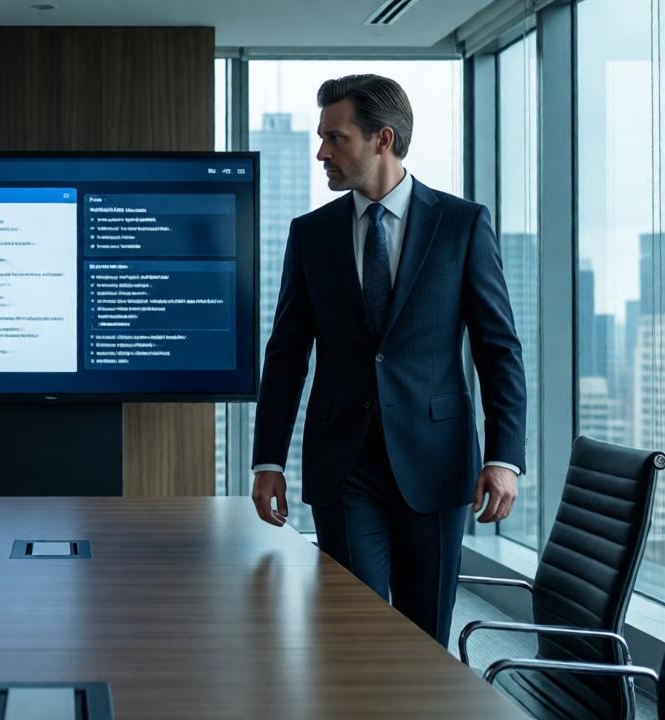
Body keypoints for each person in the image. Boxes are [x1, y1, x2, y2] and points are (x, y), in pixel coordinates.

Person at [250, 75, 526, 645]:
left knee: (427, 637)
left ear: (383, 138)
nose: (322, 152)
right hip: (343, 466)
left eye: (335, 137)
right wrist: (267, 460)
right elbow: (285, 356)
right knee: (355, 635)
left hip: (437, 461)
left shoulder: (461, 225)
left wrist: (504, 457)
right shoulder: (311, 235)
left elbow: (498, 349)